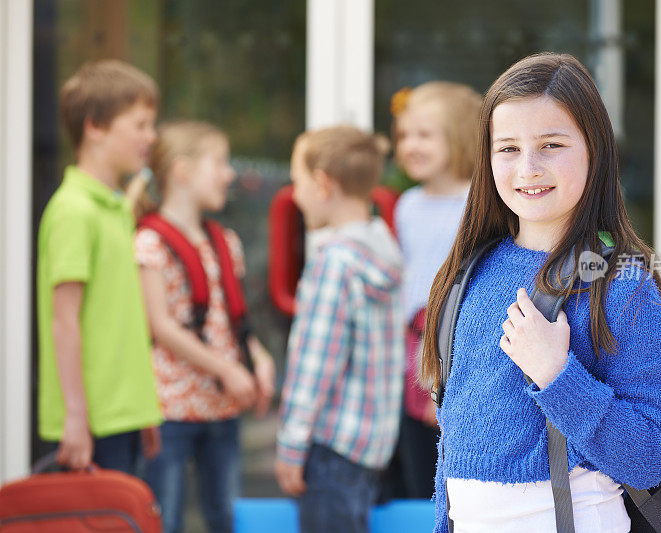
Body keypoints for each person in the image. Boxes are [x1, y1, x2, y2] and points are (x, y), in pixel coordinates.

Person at [421, 53, 661, 532]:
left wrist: (556, 374)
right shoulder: (470, 272)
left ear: (595, 150)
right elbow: (454, 447)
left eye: (551, 144)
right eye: (507, 148)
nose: (529, 167)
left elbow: (651, 457)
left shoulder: (622, 284)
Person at [133, 121, 276, 533]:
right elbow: (160, 325)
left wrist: (258, 359)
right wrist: (227, 370)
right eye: (219, 163)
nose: (230, 174)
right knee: (167, 518)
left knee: (225, 519)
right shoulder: (150, 244)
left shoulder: (225, 240)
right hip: (171, 409)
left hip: (221, 408)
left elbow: (234, 319)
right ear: (182, 171)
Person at [275, 126, 405, 533]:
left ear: (322, 184)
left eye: (296, 181)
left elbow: (315, 367)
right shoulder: (382, 246)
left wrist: (291, 446)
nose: (294, 195)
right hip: (369, 449)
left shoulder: (333, 263)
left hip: (329, 451)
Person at [36, 60, 163, 473]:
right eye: (141, 125)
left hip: (122, 415)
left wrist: (142, 407)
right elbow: (64, 321)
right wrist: (75, 415)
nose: (152, 136)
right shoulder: (74, 211)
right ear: (95, 127)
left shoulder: (114, 208)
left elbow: (120, 317)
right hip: (91, 421)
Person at [390, 81, 481, 499]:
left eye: (424, 135)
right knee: (413, 469)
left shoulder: (474, 205)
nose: (410, 145)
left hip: (449, 352)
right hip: (407, 350)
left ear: (459, 136)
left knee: (445, 475)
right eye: (404, 135)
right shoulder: (407, 204)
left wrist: (438, 380)